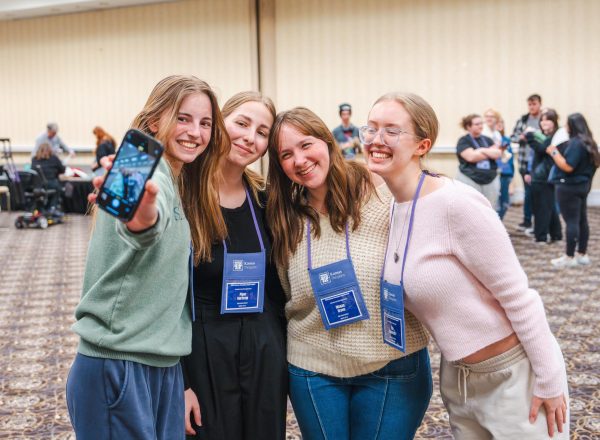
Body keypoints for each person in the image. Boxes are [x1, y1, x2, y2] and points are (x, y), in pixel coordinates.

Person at [364, 91, 569, 440]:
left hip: (511, 376)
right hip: (457, 380)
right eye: (370, 128)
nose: (376, 140)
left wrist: (550, 380)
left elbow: (519, 296)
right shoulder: (395, 206)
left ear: (421, 145)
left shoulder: (456, 204)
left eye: (391, 130)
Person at [65, 75, 229, 439]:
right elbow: (141, 228)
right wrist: (142, 222)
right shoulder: (142, 170)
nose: (195, 132)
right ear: (154, 120)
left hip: (159, 364)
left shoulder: (174, 178)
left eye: (205, 123)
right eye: (183, 118)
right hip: (119, 364)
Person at [267, 107, 431, 440]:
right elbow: (284, 292)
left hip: (392, 364)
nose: (299, 160)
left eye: (306, 144)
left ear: (327, 143)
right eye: (286, 154)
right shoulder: (283, 216)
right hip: (314, 371)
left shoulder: (382, 190)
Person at [182, 91, 287, 439]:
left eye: (261, 132)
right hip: (204, 350)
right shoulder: (184, 194)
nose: (249, 137)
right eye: (241, 123)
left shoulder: (266, 199)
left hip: (263, 347)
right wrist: (180, 383)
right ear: (219, 124)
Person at [547, 113, 600, 268]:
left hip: (568, 187)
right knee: (582, 220)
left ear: (572, 126)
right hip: (583, 186)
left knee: (571, 222)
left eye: (567, 124)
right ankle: (582, 254)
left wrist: (554, 152)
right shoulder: (591, 143)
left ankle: (569, 257)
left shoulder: (576, 143)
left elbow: (567, 166)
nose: (565, 127)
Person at [524, 109, 564, 244]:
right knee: (550, 206)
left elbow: (541, 149)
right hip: (542, 176)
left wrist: (529, 136)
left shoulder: (555, 136)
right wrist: (529, 172)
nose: (544, 122)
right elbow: (537, 155)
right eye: (542, 120)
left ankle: (541, 236)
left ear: (554, 122)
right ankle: (556, 235)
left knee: (541, 207)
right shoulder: (544, 135)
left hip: (544, 177)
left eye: (548, 119)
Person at [455, 114, 502, 208]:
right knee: (471, 208)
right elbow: (471, 157)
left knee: (490, 208)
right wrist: (489, 152)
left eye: (481, 123)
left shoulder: (487, 139)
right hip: (471, 179)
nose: (480, 126)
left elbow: (497, 154)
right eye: (477, 124)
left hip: (490, 179)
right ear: (468, 126)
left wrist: (481, 150)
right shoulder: (463, 141)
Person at [511, 94, 543, 231]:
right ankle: (527, 221)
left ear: (540, 104)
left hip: (541, 161)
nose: (532, 107)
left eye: (534, 104)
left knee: (540, 193)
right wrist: (523, 137)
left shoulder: (545, 118)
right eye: (529, 104)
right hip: (525, 162)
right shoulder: (523, 120)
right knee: (528, 193)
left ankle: (540, 222)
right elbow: (513, 137)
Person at [31, 142, 65, 210]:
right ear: (50, 150)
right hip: (50, 182)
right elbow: (62, 170)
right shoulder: (54, 158)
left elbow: (32, 170)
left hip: (37, 184)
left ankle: (42, 208)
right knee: (58, 189)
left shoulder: (34, 159)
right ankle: (52, 207)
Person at [496, 117, 515, 220]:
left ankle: (499, 221)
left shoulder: (506, 140)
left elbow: (510, 159)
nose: (499, 125)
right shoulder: (489, 139)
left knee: (505, 202)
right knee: (496, 202)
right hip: (495, 174)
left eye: (501, 123)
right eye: (497, 123)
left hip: (506, 174)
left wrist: (512, 177)